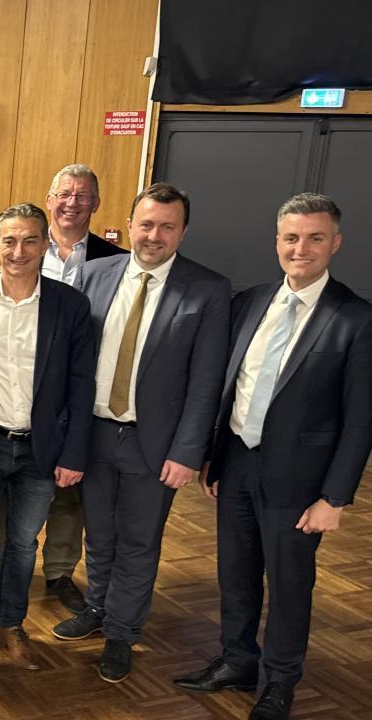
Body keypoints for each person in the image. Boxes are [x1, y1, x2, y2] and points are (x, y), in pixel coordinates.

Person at [173, 193, 372, 720]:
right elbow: (230, 386)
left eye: (314, 238)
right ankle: (237, 660)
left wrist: (334, 498)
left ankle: (280, 680)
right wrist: (215, 457)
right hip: (237, 463)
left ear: (335, 243)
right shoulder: (251, 302)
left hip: (300, 482)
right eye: (291, 237)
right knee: (236, 574)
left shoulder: (356, 319)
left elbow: (360, 421)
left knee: (289, 585)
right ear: (277, 241)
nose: (301, 248)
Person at [53, 183, 230, 684]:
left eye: (167, 227)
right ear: (130, 224)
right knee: (99, 533)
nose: (154, 235)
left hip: (156, 444)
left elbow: (206, 381)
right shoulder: (94, 274)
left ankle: (122, 632)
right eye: (146, 224)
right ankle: (97, 607)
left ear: (183, 232)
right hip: (94, 433)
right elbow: (73, 361)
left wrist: (188, 451)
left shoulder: (208, 289)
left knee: (138, 541)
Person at [0, 204, 94, 671]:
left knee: (23, 543)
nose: (19, 251)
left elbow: (81, 384)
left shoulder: (69, 304)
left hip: (40, 448)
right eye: (9, 240)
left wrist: (74, 453)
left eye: (30, 240)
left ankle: (12, 625)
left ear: (46, 244)